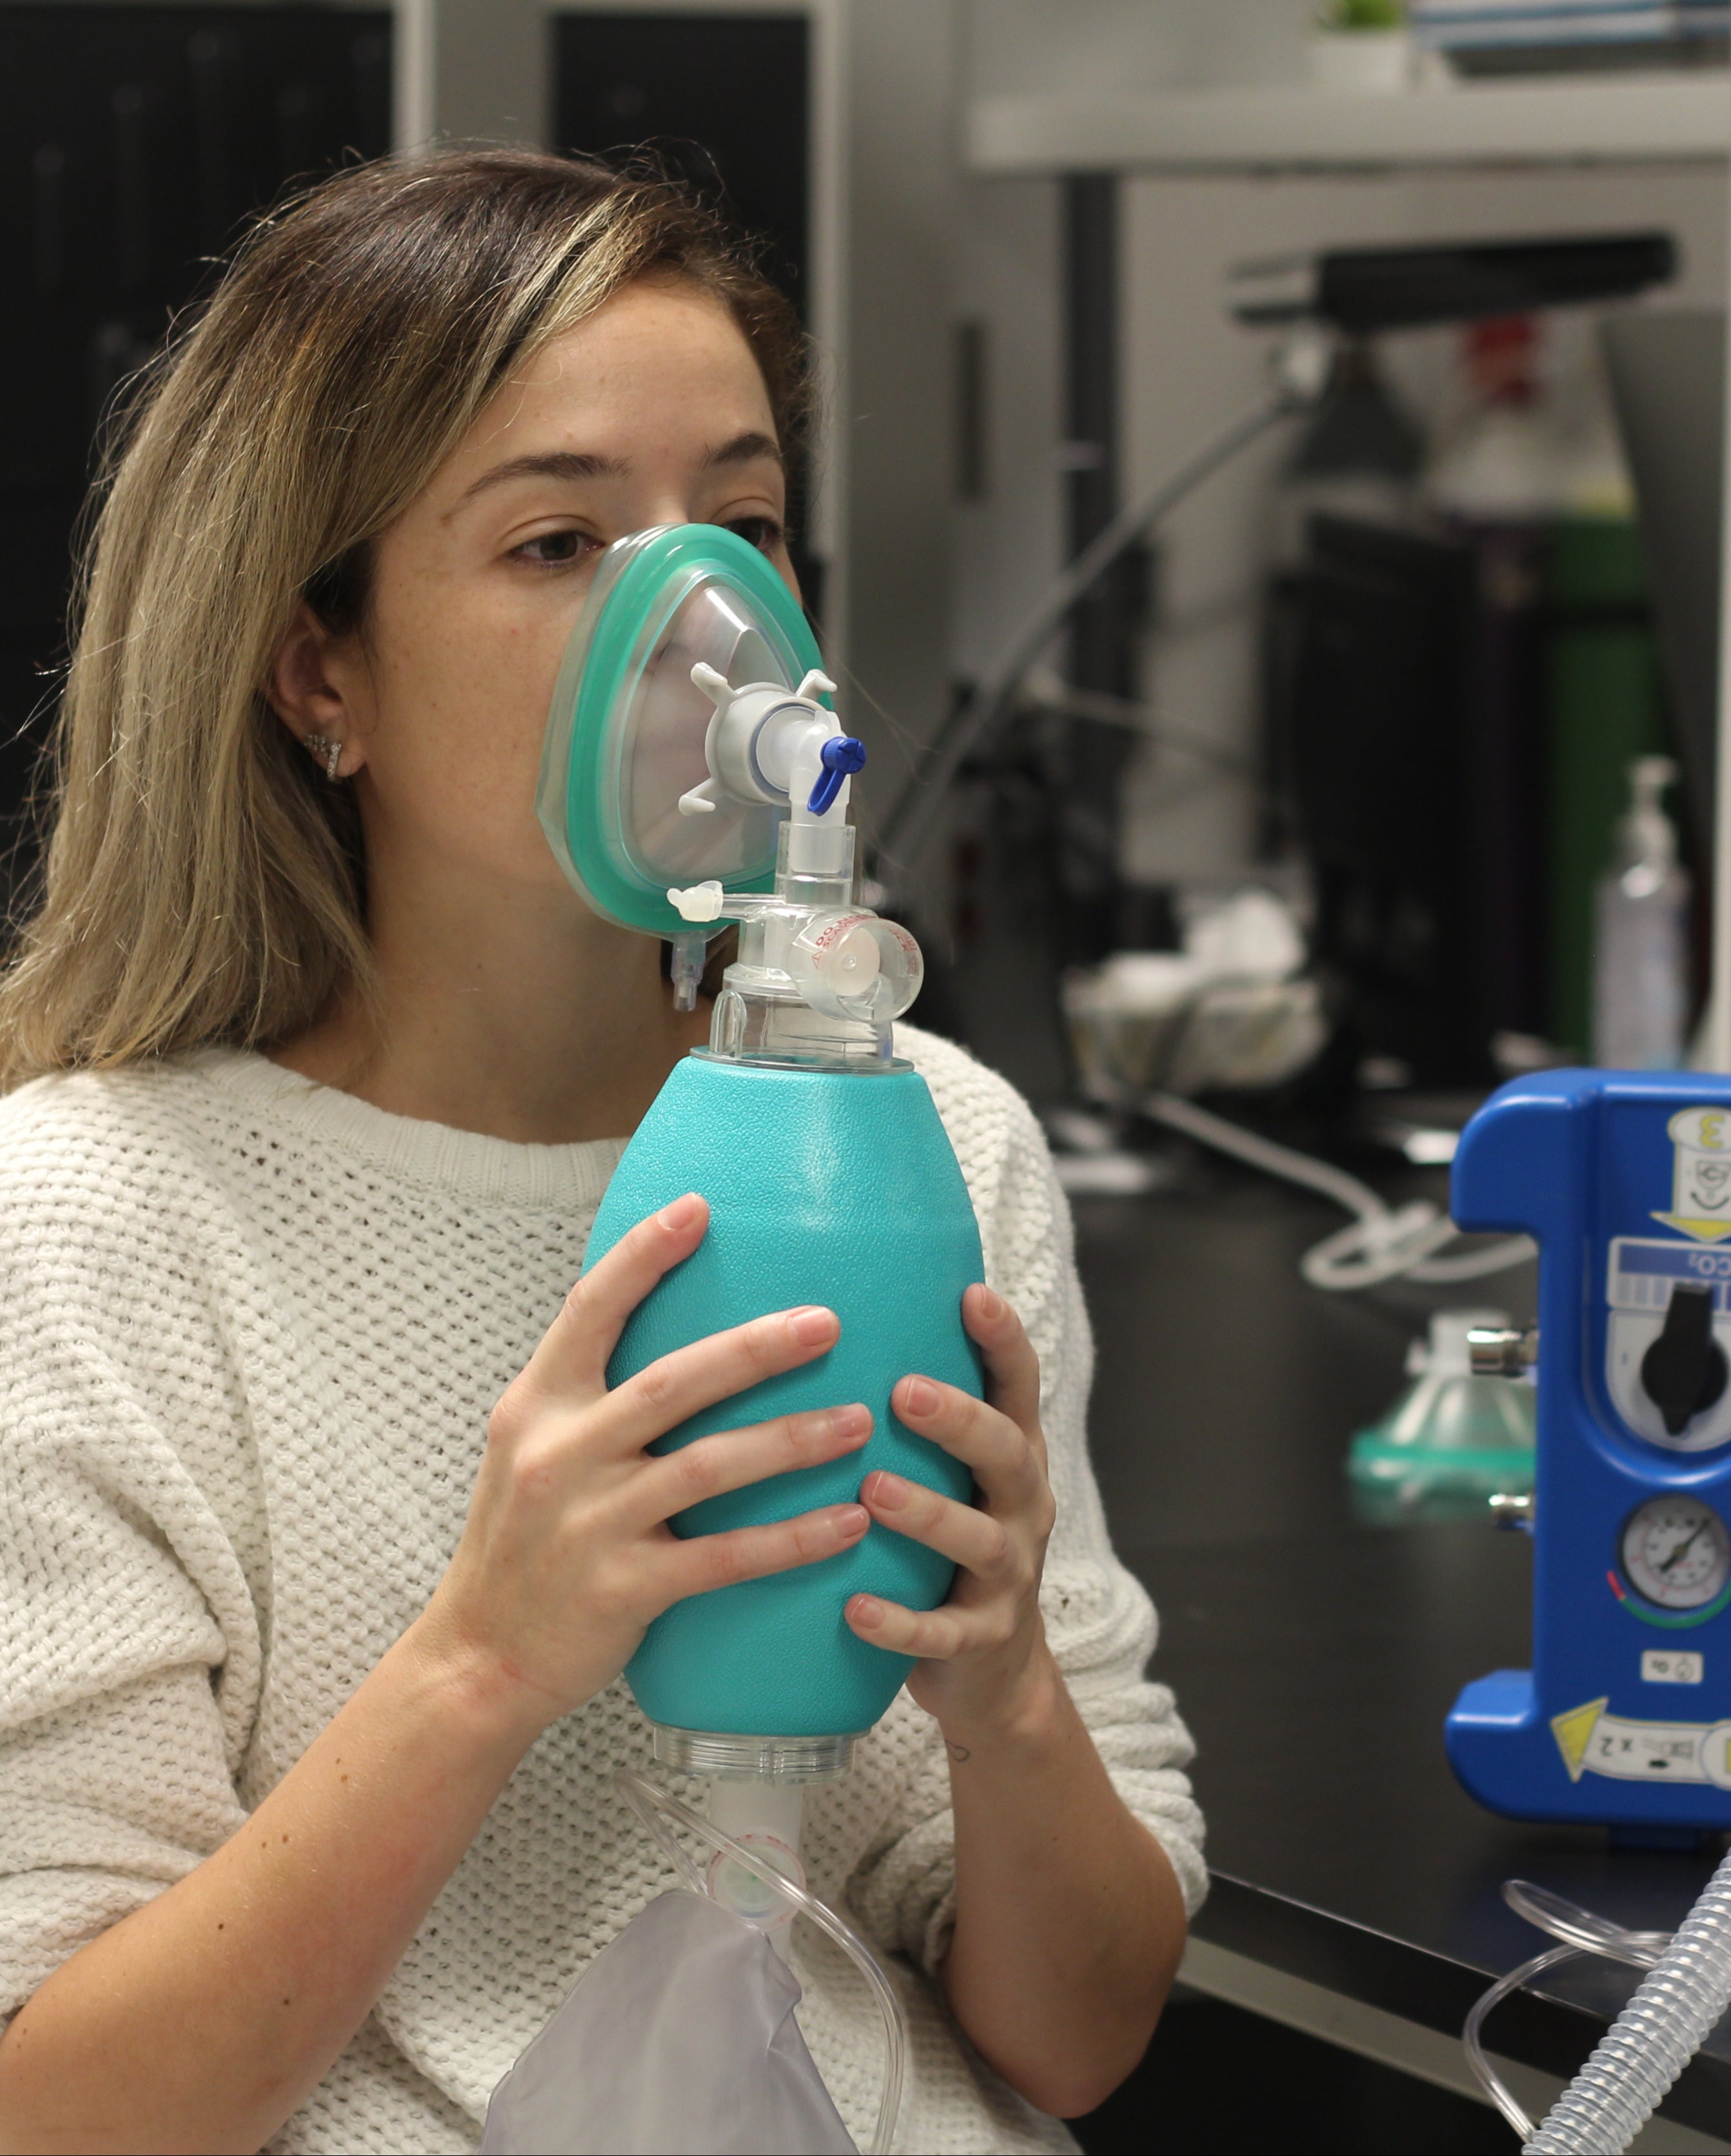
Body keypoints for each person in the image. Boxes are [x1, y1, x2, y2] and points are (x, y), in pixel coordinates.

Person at [0, 149, 1197, 2154]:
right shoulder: (91, 1229)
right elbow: (63, 2112)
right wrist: (484, 1660)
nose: (704, 629)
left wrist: (1006, 1717)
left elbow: (1076, 2043)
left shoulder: (926, 1140)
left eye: (741, 523)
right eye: (561, 542)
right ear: (321, 671)